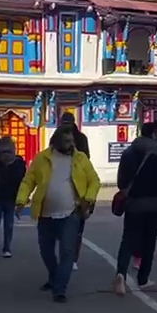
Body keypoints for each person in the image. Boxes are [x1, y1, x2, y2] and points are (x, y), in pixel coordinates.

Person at [15, 126, 100, 303]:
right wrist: (21, 200)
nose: (71, 144)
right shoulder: (43, 158)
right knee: (46, 251)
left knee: (67, 252)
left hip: (70, 213)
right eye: (67, 141)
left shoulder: (80, 159)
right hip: (45, 215)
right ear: (56, 141)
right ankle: (55, 277)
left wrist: (89, 198)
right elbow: (28, 180)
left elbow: (94, 180)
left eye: (72, 141)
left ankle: (60, 289)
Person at [113, 121, 157, 296]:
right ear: (154, 134)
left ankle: (120, 274)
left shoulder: (128, 152)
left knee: (128, 240)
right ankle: (143, 279)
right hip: (154, 204)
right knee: (149, 242)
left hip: (133, 202)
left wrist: (126, 190)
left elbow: (121, 180)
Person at [58, 112, 91, 271]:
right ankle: (65, 256)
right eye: (63, 123)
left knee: (77, 227)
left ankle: (73, 258)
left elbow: (86, 161)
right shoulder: (56, 139)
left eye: (68, 123)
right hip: (60, 185)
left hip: (78, 186)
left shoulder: (82, 139)